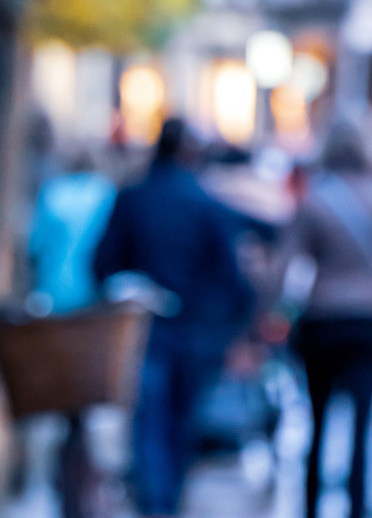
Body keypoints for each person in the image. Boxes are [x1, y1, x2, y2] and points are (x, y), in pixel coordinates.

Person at [93, 118, 254, 518]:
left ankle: (156, 502)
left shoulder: (132, 199)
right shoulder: (207, 205)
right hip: (196, 332)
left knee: (150, 420)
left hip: (144, 328)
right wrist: (235, 326)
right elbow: (233, 279)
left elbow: (101, 263)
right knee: (181, 421)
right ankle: (167, 499)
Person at [286, 120, 372, 518]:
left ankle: (309, 507)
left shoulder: (315, 200)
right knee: (362, 429)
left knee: (316, 424)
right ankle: (356, 506)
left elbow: (285, 267)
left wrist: (267, 319)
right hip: (370, 318)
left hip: (322, 317)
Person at [28, 150, 116, 315]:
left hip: (51, 290)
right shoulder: (104, 191)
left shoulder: (52, 191)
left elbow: (35, 245)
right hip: (94, 290)